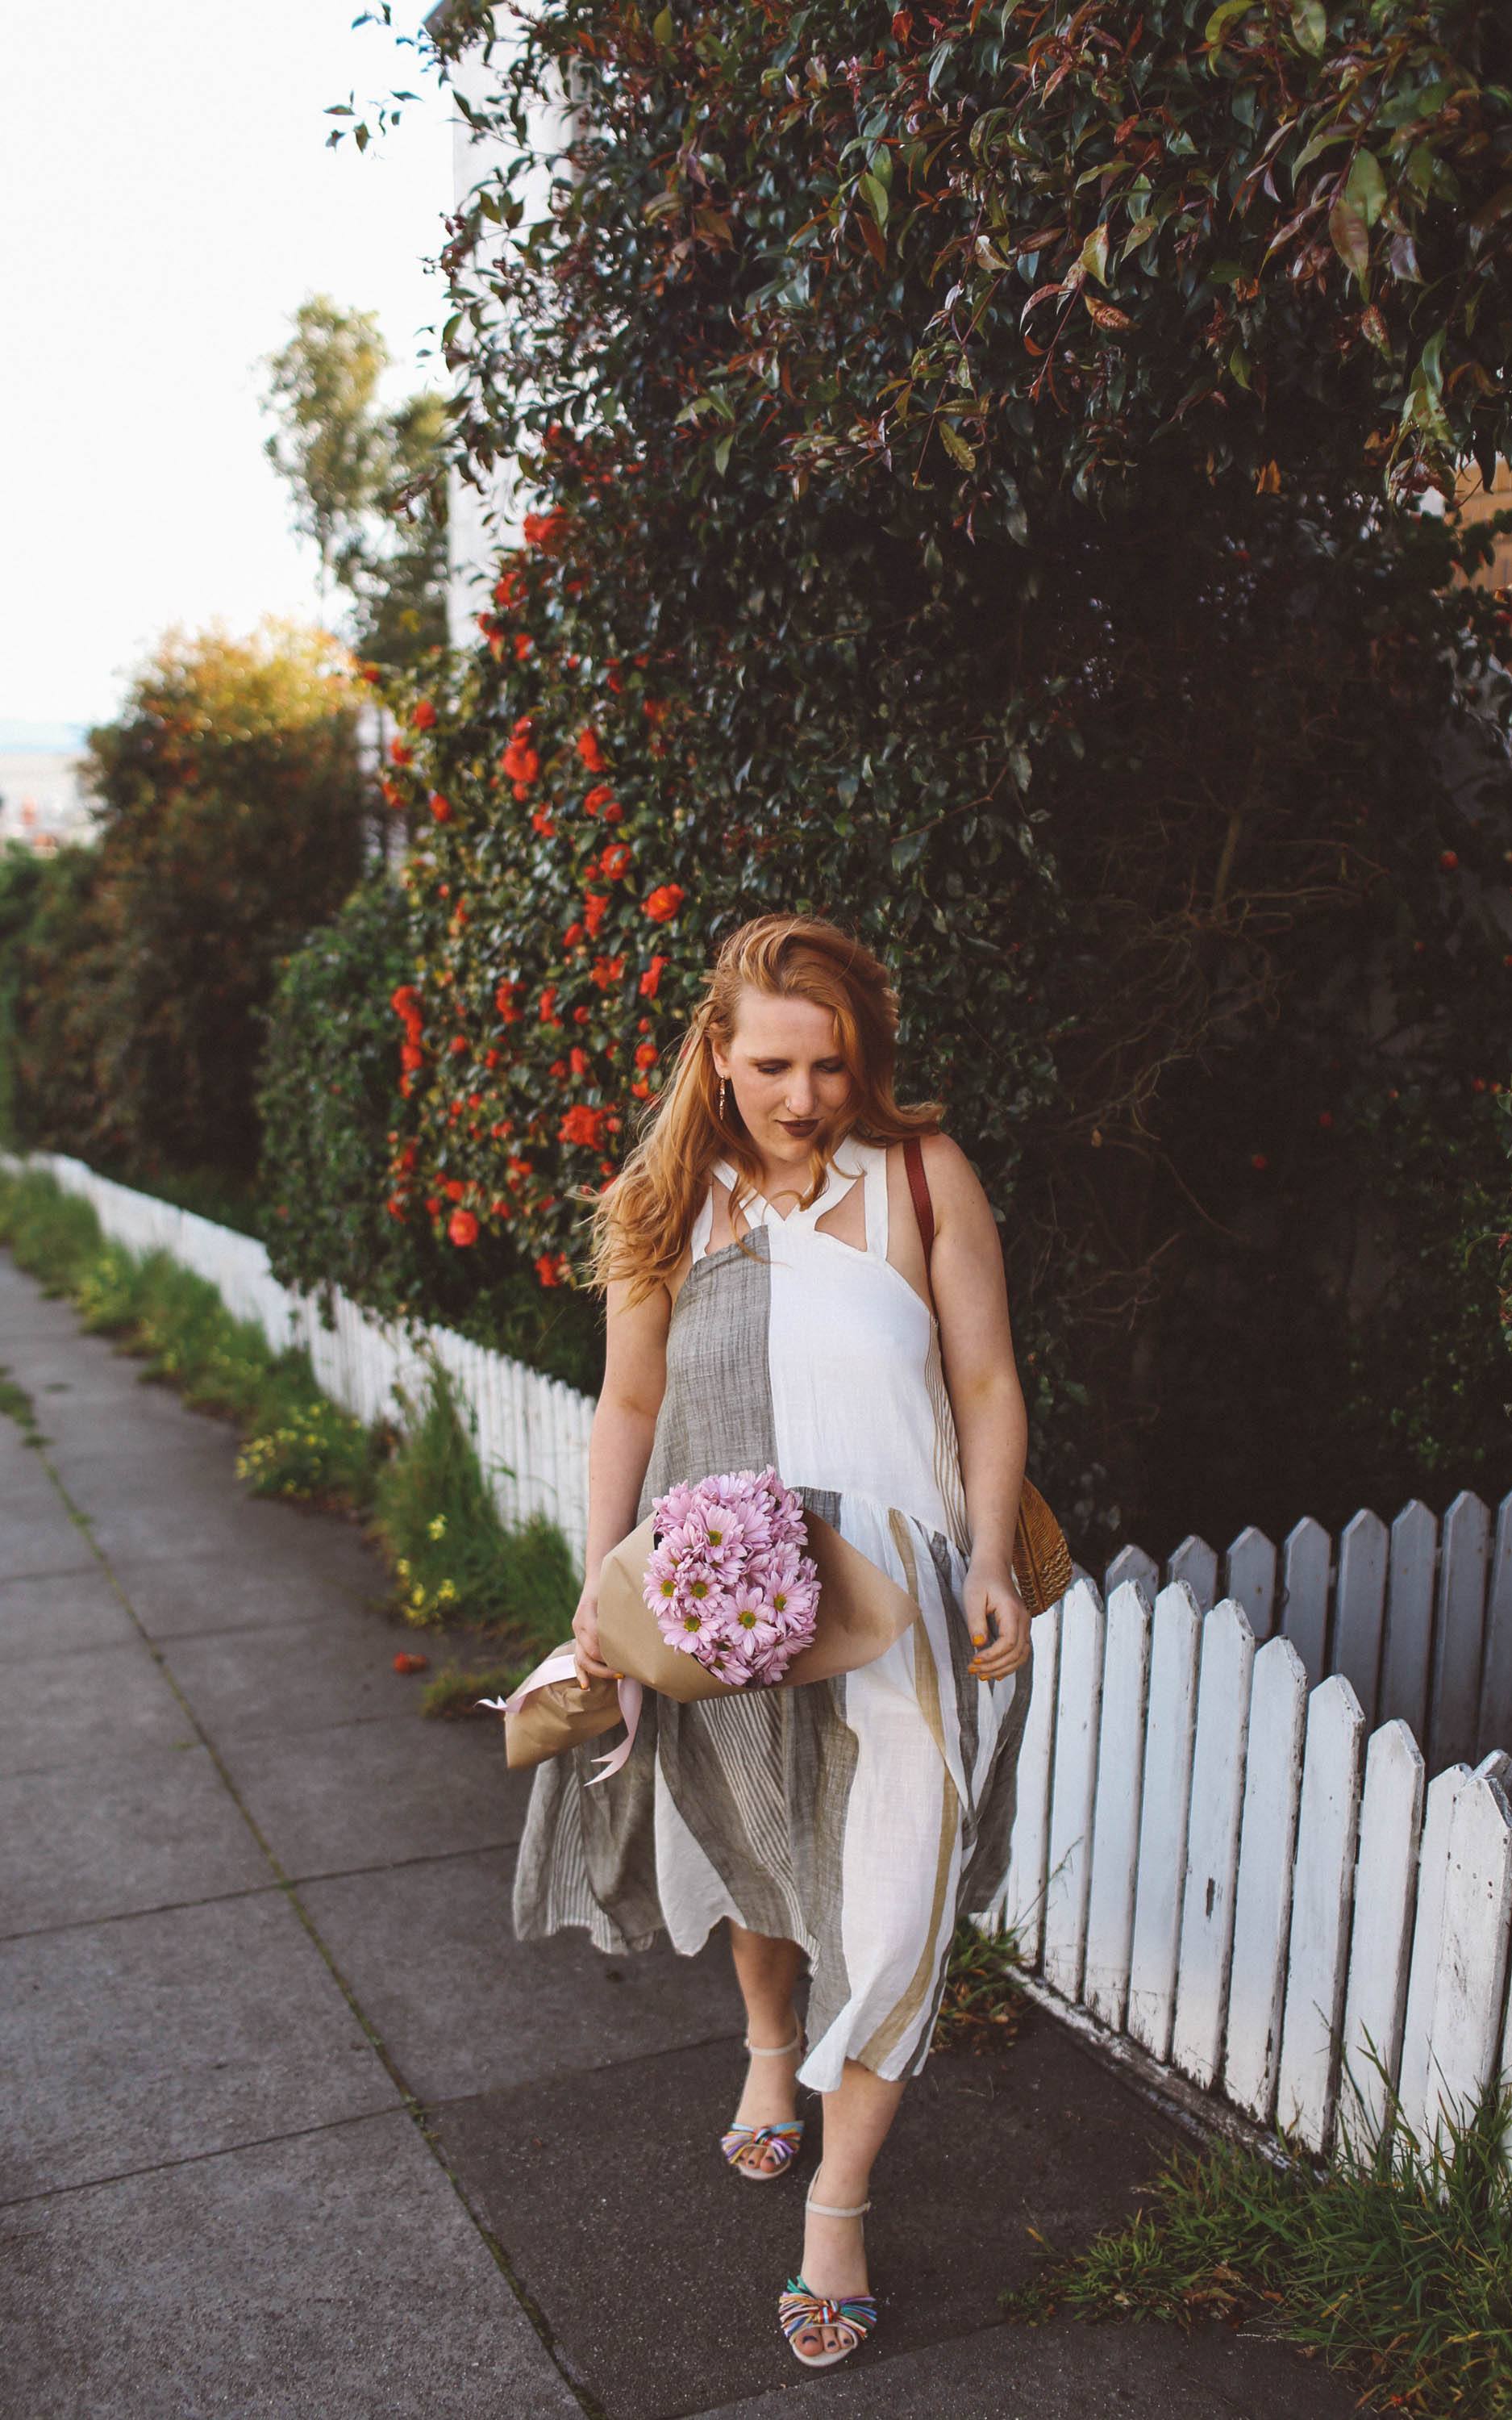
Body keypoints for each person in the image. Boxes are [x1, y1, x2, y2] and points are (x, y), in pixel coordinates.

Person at [512, 911, 1034, 2369]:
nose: (806, 1097)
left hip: (907, 1601)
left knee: (900, 1901)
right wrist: (605, 1583)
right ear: (719, 1058)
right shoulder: (667, 1202)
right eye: (777, 1066)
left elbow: (988, 1386)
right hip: (725, 1592)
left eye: (834, 1064)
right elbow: (627, 1407)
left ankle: (840, 2202)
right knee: (756, 1833)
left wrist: (990, 1558)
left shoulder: (926, 1182)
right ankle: (764, 2052)